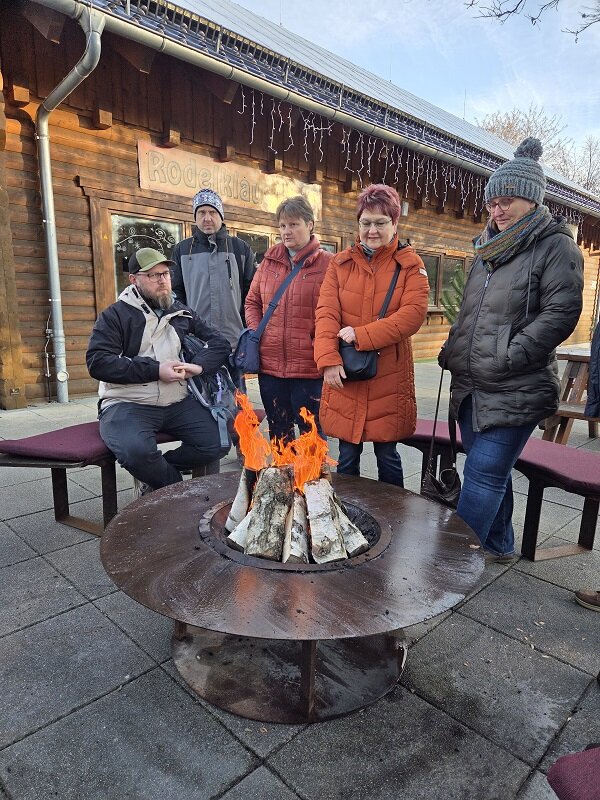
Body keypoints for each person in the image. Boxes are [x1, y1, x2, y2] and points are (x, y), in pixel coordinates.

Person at [440, 138, 584, 562]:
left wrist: (510, 354)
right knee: (490, 473)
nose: (497, 210)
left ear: (532, 200)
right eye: (492, 203)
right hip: (471, 384)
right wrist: (452, 346)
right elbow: (470, 314)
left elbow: (561, 312)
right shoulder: (486, 251)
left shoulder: (556, 246)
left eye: (507, 201)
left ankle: (452, 564)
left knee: (482, 475)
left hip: (515, 384)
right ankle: (500, 544)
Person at [86, 247, 231, 493]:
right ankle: (172, 489)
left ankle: (157, 477)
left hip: (176, 400)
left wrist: (199, 366)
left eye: (165, 273)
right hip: (127, 402)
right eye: (153, 275)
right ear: (134, 280)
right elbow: (98, 362)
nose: (162, 280)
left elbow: (220, 343)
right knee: (137, 452)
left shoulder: (181, 311)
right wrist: (155, 370)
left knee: (218, 441)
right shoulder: (115, 316)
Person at [314, 184, 429, 486]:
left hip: (388, 375)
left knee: (387, 454)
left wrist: (362, 334)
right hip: (348, 371)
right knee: (348, 453)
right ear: (358, 224)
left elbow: (412, 315)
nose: (372, 230)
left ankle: (394, 517)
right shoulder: (339, 264)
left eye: (380, 222)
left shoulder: (410, 264)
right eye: (366, 222)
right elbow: (325, 314)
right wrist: (327, 359)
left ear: (394, 223)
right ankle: (345, 517)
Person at [244, 195, 332, 443]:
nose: (286, 231)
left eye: (293, 224)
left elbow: (336, 312)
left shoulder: (328, 264)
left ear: (310, 224)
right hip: (270, 365)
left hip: (308, 367)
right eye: (282, 226)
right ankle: (282, 480)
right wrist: (257, 332)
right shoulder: (268, 263)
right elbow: (252, 302)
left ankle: (314, 481)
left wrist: (317, 340)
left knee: (311, 433)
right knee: (279, 431)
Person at [170, 188, 257, 386]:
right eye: (201, 213)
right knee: (203, 398)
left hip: (234, 341)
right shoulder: (182, 250)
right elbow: (176, 296)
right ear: (195, 217)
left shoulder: (239, 248)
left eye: (212, 212)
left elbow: (251, 294)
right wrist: (184, 331)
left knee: (237, 399)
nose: (207, 218)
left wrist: (245, 329)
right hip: (198, 342)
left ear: (220, 215)